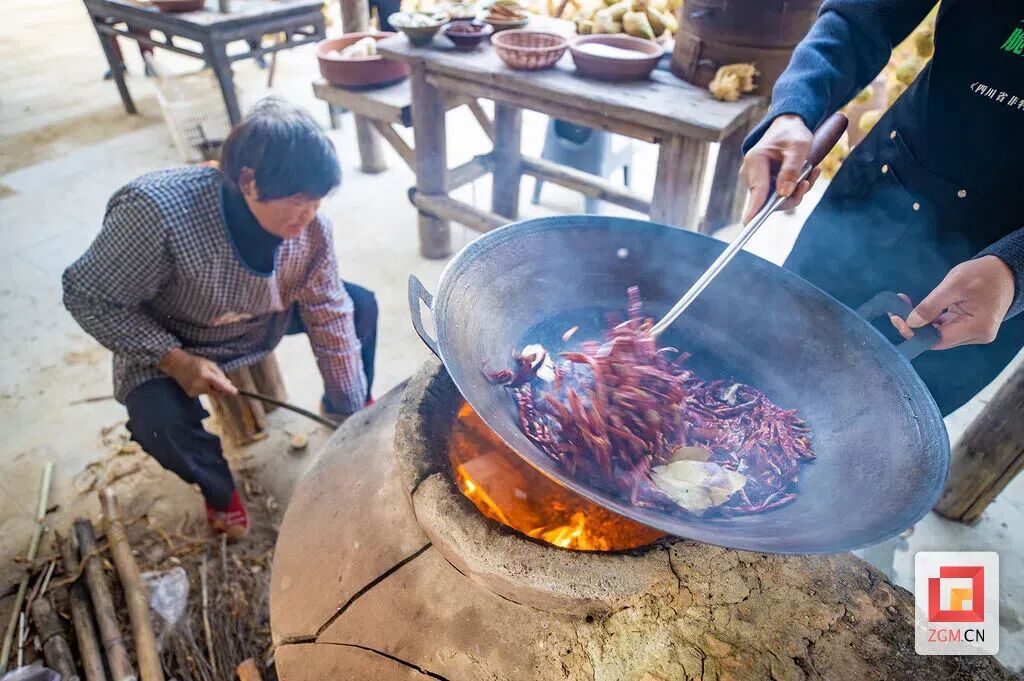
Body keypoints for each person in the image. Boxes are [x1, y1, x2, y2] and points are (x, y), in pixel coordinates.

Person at [63, 97, 377, 539]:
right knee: (156, 421)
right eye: (298, 201)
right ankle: (217, 487)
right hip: (176, 335)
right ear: (249, 182)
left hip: (263, 319)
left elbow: (329, 316)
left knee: (360, 306)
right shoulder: (156, 212)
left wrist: (350, 410)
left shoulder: (312, 230)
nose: (309, 215)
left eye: (318, 201)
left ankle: (345, 410)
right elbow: (86, 295)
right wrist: (174, 360)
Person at [739, 0, 1023, 416]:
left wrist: (1016, 269)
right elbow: (860, 17)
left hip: (992, 287)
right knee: (763, 359)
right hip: (885, 184)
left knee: (874, 430)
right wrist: (795, 108)